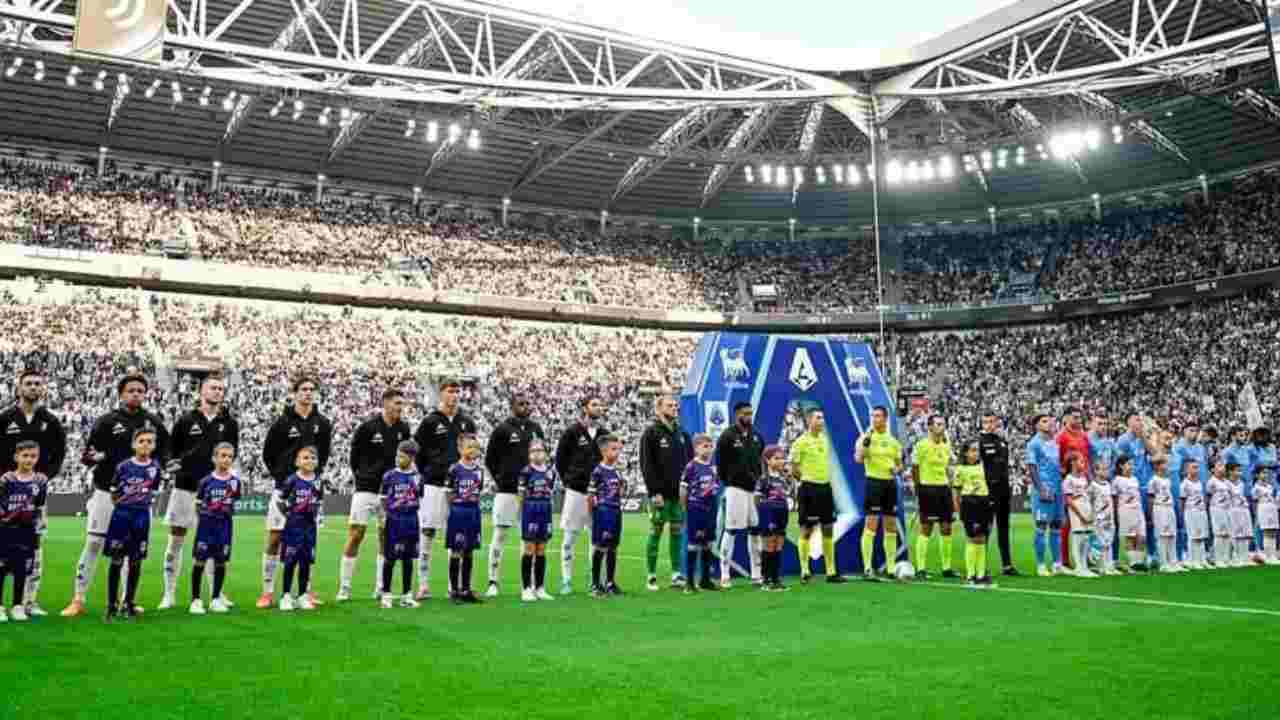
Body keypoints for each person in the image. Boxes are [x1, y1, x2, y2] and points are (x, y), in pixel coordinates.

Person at [63, 373, 169, 618]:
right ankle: (78, 598)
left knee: (131, 550)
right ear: (121, 393)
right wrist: (94, 457)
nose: (136, 394)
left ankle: (126, 601)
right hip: (105, 492)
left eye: (140, 391)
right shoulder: (106, 422)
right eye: (131, 390)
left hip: (137, 500)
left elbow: (165, 452)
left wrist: (162, 468)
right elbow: (87, 455)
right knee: (94, 543)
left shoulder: (153, 422)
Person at [163, 374, 239, 611]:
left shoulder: (230, 423)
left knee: (214, 544)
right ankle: (169, 593)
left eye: (221, 388)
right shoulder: (186, 420)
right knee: (176, 540)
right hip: (185, 487)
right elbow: (170, 452)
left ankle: (216, 594)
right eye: (213, 388)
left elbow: (231, 454)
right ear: (201, 391)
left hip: (215, 492)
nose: (217, 392)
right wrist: (172, 464)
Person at [258, 376, 332, 609]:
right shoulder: (282, 423)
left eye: (312, 389)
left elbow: (325, 454)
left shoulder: (323, 423)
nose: (308, 393)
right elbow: (268, 454)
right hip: (284, 489)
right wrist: (282, 476)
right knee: (275, 538)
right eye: (303, 389)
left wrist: (312, 478)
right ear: (295, 393)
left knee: (307, 542)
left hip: (309, 493)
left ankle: (305, 591)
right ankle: (268, 591)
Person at [0, 368, 67, 617]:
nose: (33, 387)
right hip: (4, 494)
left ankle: (29, 600)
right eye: (28, 383)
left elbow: (59, 453)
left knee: (35, 543)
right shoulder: (5, 418)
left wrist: (45, 476)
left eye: (38, 383)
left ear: (43, 389)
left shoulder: (50, 421)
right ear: (19, 388)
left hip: (35, 495)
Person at [340, 389, 412, 602]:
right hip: (366, 489)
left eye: (402, 404)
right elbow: (354, 457)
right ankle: (344, 587)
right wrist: (363, 477)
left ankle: (380, 587)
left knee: (385, 538)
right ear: (386, 403)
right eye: (397, 403)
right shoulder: (368, 427)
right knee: (355, 535)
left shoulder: (404, 429)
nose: (400, 407)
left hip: (390, 493)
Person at [417, 379, 478, 599]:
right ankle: (423, 584)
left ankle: (457, 587)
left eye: (457, 391)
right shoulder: (430, 422)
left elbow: (471, 450)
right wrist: (430, 472)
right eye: (450, 391)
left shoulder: (466, 422)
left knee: (458, 536)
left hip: (460, 488)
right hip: (434, 484)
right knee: (428, 531)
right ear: (441, 393)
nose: (454, 395)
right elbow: (419, 453)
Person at [484, 394, 544, 599]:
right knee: (500, 534)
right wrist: (501, 479)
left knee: (528, 539)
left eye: (528, 403)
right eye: (521, 403)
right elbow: (490, 458)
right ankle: (493, 581)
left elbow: (542, 456)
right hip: (507, 491)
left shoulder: (536, 428)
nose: (525, 406)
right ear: (512, 406)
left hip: (531, 495)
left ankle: (529, 585)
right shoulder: (502, 429)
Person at [104, 428, 164, 622]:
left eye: (149, 441)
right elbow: (113, 493)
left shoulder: (155, 468)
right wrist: (124, 505)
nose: (145, 444)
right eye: (141, 441)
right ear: (134, 444)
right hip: (122, 515)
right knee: (116, 559)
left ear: (154, 445)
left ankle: (129, 602)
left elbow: (154, 491)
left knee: (136, 560)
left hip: (141, 516)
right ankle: (112, 605)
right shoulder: (123, 467)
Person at [638, 393, 692, 591]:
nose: (674, 408)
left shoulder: (682, 434)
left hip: (678, 495)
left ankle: (676, 573)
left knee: (677, 532)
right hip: (660, 494)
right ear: (659, 409)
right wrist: (654, 492)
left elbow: (690, 465)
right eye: (670, 405)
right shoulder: (651, 433)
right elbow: (647, 465)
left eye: (675, 405)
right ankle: (651, 575)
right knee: (656, 531)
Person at [554, 397, 606, 595]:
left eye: (599, 404)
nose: (598, 407)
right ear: (585, 408)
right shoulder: (572, 431)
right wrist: (569, 481)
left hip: (598, 493)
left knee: (597, 538)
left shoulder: (604, 434)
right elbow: (560, 459)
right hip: (576, 491)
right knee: (569, 537)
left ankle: (594, 580)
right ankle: (566, 579)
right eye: (594, 404)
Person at [716, 402, 766, 588]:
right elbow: (720, 464)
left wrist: (758, 482)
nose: (749, 416)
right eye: (745, 413)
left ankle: (756, 573)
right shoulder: (727, 436)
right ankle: (725, 574)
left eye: (751, 413)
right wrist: (730, 482)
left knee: (754, 529)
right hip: (735, 489)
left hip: (752, 490)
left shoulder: (757, 437)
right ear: (737, 414)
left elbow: (760, 461)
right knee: (732, 529)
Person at [189, 442, 241, 615]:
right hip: (206, 527)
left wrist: (224, 512)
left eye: (230, 457)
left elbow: (234, 503)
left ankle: (216, 599)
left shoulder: (235, 482)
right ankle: (195, 600)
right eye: (223, 455)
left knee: (220, 561)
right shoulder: (206, 481)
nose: (226, 459)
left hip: (224, 527)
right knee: (199, 561)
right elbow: (198, 505)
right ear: (214, 458)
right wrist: (207, 517)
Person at [0, 440, 48, 622]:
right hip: (6, 529)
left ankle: (18, 605)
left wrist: (40, 526)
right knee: (2, 568)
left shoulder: (41, 481)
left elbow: (40, 506)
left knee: (22, 569)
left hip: (27, 531)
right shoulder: (6, 479)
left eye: (33, 456)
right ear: (16, 457)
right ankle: (0, 607)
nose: (29, 459)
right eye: (25, 455)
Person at [855, 406, 903, 581]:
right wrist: (866, 442)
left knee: (890, 525)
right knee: (871, 524)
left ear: (885, 419)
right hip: (873, 482)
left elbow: (900, 464)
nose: (874, 419)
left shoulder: (893, 441)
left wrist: (896, 469)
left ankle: (890, 568)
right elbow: (859, 458)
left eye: (878, 416)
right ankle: (867, 568)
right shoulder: (865, 438)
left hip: (889, 484)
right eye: (873, 416)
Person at [910, 414, 956, 581]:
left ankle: (947, 567)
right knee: (926, 528)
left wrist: (950, 484)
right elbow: (914, 468)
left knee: (946, 528)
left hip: (943, 489)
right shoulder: (921, 445)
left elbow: (949, 468)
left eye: (943, 424)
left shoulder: (946, 446)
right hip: (927, 489)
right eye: (938, 424)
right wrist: (918, 489)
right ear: (929, 427)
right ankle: (921, 568)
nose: (941, 427)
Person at [278, 446, 322, 611]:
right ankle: (286, 595)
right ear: (297, 461)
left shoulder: (318, 481)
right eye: (305, 458)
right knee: (290, 561)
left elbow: (318, 501)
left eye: (312, 458)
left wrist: (315, 515)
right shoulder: (291, 480)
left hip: (309, 528)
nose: (309, 461)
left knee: (306, 562)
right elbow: (280, 501)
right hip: (293, 527)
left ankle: (302, 595)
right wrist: (289, 515)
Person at [380, 440, 422, 609]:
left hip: (411, 520)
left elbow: (420, 498)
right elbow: (383, 499)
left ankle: (406, 595)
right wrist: (387, 515)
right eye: (398, 455)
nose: (398, 459)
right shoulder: (389, 476)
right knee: (390, 558)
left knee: (408, 558)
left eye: (403, 456)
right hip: (394, 520)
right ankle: (386, 594)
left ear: (412, 458)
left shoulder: (417, 477)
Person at [516, 440, 558, 602]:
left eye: (540, 450)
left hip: (545, 510)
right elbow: (520, 495)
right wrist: (521, 515)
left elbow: (551, 491)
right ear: (529, 454)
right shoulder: (525, 472)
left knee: (541, 549)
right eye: (533, 451)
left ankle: (540, 587)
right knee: (529, 548)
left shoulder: (551, 472)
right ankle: (526, 588)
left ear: (546, 454)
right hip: (530, 510)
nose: (536, 453)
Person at [446, 434, 485, 605]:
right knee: (456, 550)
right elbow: (448, 493)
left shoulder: (479, 471)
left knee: (469, 550)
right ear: (460, 449)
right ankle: (454, 590)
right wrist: (455, 508)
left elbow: (479, 490)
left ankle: (466, 589)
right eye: (469, 447)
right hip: (459, 511)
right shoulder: (454, 469)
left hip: (473, 512)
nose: (473, 450)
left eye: (475, 447)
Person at [680, 434, 720, 593]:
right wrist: (685, 508)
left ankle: (705, 579)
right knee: (693, 543)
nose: (709, 449)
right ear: (696, 448)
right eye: (705, 446)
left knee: (708, 542)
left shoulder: (713, 467)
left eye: (710, 446)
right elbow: (683, 488)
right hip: (696, 508)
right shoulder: (691, 466)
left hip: (711, 509)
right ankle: (689, 582)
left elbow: (715, 487)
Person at [1025, 414, 1065, 576]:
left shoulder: (1055, 442)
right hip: (1044, 490)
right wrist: (1041, 489)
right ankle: (1041, 565)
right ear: (1037, 425)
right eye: (1044, 421)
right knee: (1041, 527)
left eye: (1050, 420)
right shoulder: (1034, 444)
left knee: (1056, 527)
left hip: (1057, 490)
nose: (1049, 423)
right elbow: (1032, 467)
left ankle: (1057, 564)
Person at [979, 412, 1016, 576]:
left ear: (997, 423)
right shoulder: (980, 442)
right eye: (985, 421)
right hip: (988, 490)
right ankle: (980, 565)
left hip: (1003, 490)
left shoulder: (1002, 441)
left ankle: (1007, 565)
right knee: (985, 528)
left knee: (1004, 528)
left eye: (991, 421)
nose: (989, 424)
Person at [589, 434, 626, 598]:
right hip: (603, 512)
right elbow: (590, 495)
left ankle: (610, 582)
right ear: (604, 451)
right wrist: (593, 514)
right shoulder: (598, 471)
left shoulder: (617, 473)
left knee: (613, 546)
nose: (617, 453)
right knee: (600, 546)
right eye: (613, 449)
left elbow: (619, 492)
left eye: (618, 449)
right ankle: (596, 584)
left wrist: (622, 488)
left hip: (616, 511)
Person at [953, 440, 993, 587]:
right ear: (965, 453)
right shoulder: (960, 469)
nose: (976, 453)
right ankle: (971, 575)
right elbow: (956, 491)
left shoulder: (984, 467)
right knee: (972, 538)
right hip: (969, 503)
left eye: (977, 450)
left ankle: (981, 574)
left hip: (984, 502)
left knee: (982, 538)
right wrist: (958, 511)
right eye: (972, 450)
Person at [1055, 408, 1091, 568]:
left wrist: (1088, 477)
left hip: (1083, 482)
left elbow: (1087, 457)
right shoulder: (1061, 437)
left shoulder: (1084, 435)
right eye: (1074, 417)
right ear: (1066, 418)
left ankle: (1085, 557)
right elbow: (1057, 459)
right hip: (1068, 483)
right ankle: (1064, 559)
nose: (1078, 420)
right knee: (1067, 522)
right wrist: (1063, 475)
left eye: (1079, 418)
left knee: (1085, 520)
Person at [755, 445, 792, 592]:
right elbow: (757, 499)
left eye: (782, 458)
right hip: (768, 513)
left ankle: (776, 578)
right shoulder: (764, 479)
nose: (780, 461)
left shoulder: (784, 479)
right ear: (767, 460)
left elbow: (788, 494)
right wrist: (764, 513)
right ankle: (766, 579)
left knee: (779, 544)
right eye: (776, 458)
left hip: (782, 512)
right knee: (769, 544)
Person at [1167, 422, 1204, 565]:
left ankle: (1198, 554)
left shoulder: (1200, 448)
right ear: (1184, 432)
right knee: (1181, 521)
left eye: (1196, 430)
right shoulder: (1179, 447)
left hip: (1199, 486)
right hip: (1182, 488)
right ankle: (1180, 552)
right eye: (1191, 430)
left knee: (1197, 522)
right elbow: (1181, 470)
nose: (1194, 433)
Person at [1063, 452, 1096, 579]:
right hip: (1077, 511)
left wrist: (1090, 512)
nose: (1083, 464)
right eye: (1081, 461)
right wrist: (1080, 515)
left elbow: (1088, 495)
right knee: (1078, 538)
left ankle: (1084, 566)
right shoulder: (1068, 480)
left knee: (1086, 539)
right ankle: (1078, 567)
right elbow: (1069, 500)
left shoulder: (1084, 478)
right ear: (1073, 463)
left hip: (1086, 509)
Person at [1113, 457, 1146, 572]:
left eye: (1132, 464)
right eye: (1129, 464)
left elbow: (1138, 495)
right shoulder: (1117, 480)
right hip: (1126, 510)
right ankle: (1133, 562)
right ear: (1121, 466)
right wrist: (1116, 513)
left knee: (1141, 536)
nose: (1131, 466)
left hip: (1138, 510)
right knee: (1130, 536)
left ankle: (1139, 561)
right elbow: (1115, 498)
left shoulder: (1135, 479)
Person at [1148, 457, 1180, 573]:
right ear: (1157, 466)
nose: (1166, 466)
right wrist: (1151, 515)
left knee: (1172, 534)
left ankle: (1173, 561)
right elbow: (1151, 499)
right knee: (1162, 535)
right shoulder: (1153, 481)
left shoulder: (1168, 480)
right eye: (1164, 464)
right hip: (1159, 507)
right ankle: (1163, 562)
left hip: (1169, 507)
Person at [1088, 464, 1120, 575]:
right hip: (1098, 518)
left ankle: (1109, 565)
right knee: (1100, 541)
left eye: (1107, 469)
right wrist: (1092, 515)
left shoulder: (1108, 485)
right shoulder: (1093, 485)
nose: (1106, 471)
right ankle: (1101, 566)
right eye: (1103, 469)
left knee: (1109, 541)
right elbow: (1089, 500)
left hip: (1109, 518)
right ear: (1096, 471)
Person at [1180, 461, 1209, 570]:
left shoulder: (1200, 483)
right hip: (1191, 512)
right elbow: (1182, 500)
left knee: (1201, 536)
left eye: (1197, 468)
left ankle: (1202, 559)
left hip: (1201, 511)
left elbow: (1203, 497)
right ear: (1187, 469)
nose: (1196, 470)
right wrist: (1184, 514)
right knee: (1193, 536)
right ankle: (1193, 560)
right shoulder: (1185, 484)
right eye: (1193, 467)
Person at [1207, 463, 1234, 568]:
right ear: (1213, 469)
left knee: (1227, 534)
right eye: (1219, 466)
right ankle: (1217, 558)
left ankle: (1226, 558)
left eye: (1223, 466)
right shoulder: (1211, 482)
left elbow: (1230, 496)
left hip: (1227, 509)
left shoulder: (1227, 482)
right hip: (1217, 509)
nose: (1222, 468)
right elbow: (1208, 497)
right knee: (1219, 534)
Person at [1227, 463, 1253, 567]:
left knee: (1244, 534)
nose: (1240, 473)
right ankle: (1234, 556)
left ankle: (1244, 556)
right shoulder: (1227, 484)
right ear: (1230, 472)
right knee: (1235, 534)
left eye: (1240, 471)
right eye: (1237, 470)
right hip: (1232, 510)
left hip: (1242, 509)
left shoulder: (1242, 484)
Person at [1253, 469, 1278, 564]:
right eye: (1263, 473)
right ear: (1257, 475)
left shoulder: (1270, 487)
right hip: (1263, 509)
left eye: (1267, 473)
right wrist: (1257, 515)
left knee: (1273, 532)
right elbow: (1255, 501)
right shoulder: (1256, 488)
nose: (1266, 475)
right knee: (1266, 532)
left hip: (1272, 509)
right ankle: (1267, 556)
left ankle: (1273, 555)